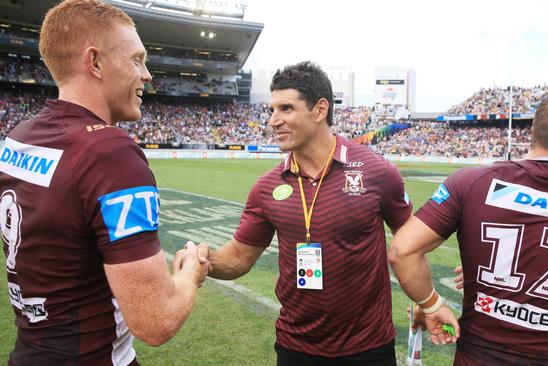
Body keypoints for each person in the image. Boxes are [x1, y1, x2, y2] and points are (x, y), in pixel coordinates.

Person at [0, 1, 209, 364]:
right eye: (136, 59)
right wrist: (190, 272)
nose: (147, 75)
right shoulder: (110, 153)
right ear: (94, 62)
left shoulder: (20, 136)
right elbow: (156, 321)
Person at [388, 88, 548, 365]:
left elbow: (401, 251)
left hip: (479, 357)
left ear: (532, 132)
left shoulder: (472, 182)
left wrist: (433, 304)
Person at [198, 61, 412, 366]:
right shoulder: (266, 187)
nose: (273, 120)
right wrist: (205, 260)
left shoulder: (377, 172)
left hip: (369, 348)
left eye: (286, 108)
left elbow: (411, 239)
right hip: (296, 347)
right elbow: (239, 258)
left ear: (320, 109)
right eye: (272, 110)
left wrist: (425, 301)